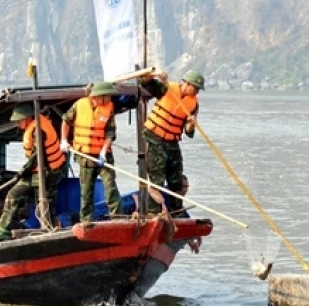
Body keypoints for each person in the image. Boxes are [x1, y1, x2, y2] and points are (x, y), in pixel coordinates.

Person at [0, 103, 66, 243]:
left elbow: (37, 156)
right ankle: (3, 230)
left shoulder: (38, 130)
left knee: (44, 203)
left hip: (49, 172)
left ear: (27, 118)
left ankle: (51, 231)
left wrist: (22, 171)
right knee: (13, 194)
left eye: (19, 121)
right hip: (36, 171)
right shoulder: (33, 125)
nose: (18, 124)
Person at [138, 69, 204, 216]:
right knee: (157, 178)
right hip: (154, 137)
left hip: (172, 142)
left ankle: (177, 212)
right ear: (186, 83)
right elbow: (144, 82)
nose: (197, 92)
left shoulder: (193, 105)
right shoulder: (166, 88)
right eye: (196, 88)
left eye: (199, 89)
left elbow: (188, 131)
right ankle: (153, 213)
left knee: (176, 180)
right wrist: (155, 75)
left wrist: (192, 123)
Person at [60, 81, 122, 223]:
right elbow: (66, 121)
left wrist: (103, 152)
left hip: (103, 155)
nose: (109, 99)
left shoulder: (109, 108)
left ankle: (118, 217)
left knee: (110, 185)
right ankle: (86, 221)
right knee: (87, 191)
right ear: (97, 96)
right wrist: (64, 140)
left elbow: (110, 133)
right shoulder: (79, 105)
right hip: (85, 156)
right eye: (106, 96)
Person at [117, 175, 201, 253]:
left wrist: (193, 234)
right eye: (183, 187)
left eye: (186, 187)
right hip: (132, 211)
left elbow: (182, 215)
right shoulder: (166, 194)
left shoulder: (176, 199)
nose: (185, 190)